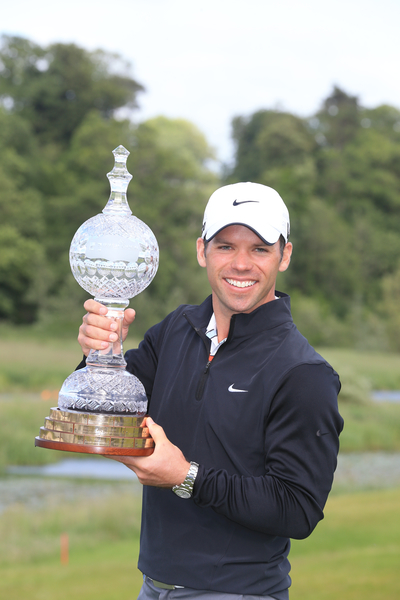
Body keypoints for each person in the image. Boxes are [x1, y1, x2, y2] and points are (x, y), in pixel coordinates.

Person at [78, 182, 343, 600]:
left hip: (239, 592)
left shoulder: (304, 373)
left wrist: (186, 477)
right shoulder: (174, 330)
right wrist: (100, 356)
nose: (241, 264)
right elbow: (100, 416)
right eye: (225, 246)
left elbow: (298, 508)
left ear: (285, 255)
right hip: (153, 586)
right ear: (202, 250)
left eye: (260, 249)